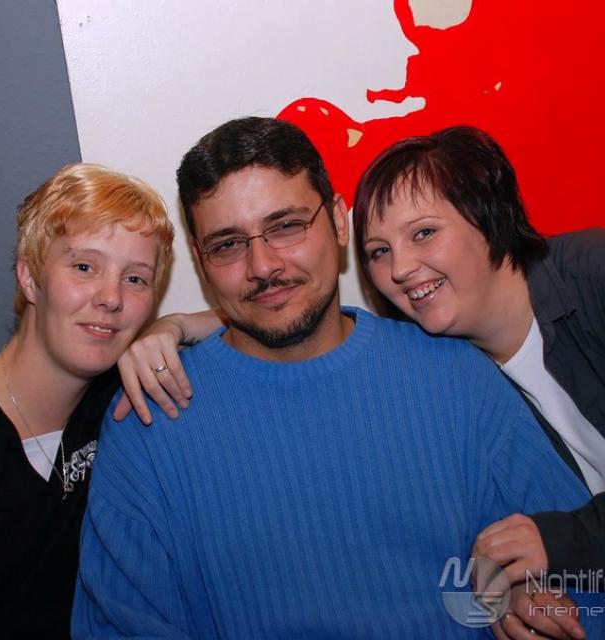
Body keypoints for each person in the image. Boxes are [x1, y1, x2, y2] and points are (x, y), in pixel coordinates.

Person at [73, 117, 604, 639]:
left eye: (286, 226)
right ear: (200, 260)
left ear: (338, 221)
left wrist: (530, 598)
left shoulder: (457, 377)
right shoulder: (148, 419)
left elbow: (578, 573)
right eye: (228, 244)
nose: (263, 266)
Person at [351, 125, 605, 639]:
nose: (400, 268)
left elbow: (556, 538)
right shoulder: (441, 373)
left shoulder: (596, 277)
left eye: (423, 233)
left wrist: (563, 541)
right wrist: (512, 589)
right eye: (379, 251)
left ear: (489, 216)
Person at [0, 163, 174, 639]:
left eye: (136, 279)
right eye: (84, 267)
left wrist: (173, 327)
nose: (111, 298)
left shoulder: (118, 405)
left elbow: (239, 317)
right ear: (29, 277)